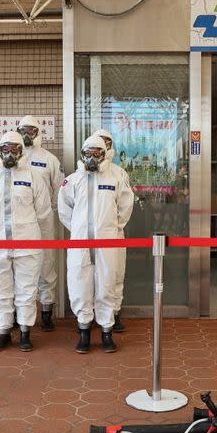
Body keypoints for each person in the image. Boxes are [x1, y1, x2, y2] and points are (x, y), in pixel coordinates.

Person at [58, 135, 134, 353]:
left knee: (106, 284)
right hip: (80, 244)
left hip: (107, 243)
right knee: (79, 284)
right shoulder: (72, 180)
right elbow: (64, 210)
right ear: (82, 155)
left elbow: (125, 205)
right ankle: (83, 332)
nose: (92, 158)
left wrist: (112, 228)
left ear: (104, 155)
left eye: (97, 153)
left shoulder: (115, 177)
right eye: (88, 153)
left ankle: (106, 332)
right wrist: (79, 229)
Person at [0, 132, 51, 352]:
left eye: (15, 149)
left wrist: (25, 228)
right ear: (0, 151)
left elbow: (43, 211)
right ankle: (4, 331)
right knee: (0, 290)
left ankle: (26, 331)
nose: (10, 153)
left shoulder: (33, 177)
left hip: (27, 244)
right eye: (6, 149)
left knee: (27, 290)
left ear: (21, 151)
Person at [16, 115, 64, 331]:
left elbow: (60, 189)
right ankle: (18, 311)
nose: (27, 134)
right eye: (23, 130)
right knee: (18, 267)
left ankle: (46, 310)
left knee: (46, 266)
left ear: (38, 133)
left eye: (31, 130)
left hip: (43, 222)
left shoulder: (49, 159)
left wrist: (49, 211)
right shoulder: (12, 156)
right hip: (19, 224)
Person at [92, 128, 134, 333]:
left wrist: (114, 227)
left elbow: (126, 205)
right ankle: (90, 315)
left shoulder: (118, 173)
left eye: (107, 142)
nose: (103, 146)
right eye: (99, 141)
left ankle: (114, 314)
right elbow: (68, 208)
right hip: (87, 239)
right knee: (89, 276)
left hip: (113, 236)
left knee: (115, 274)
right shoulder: (81, 173)